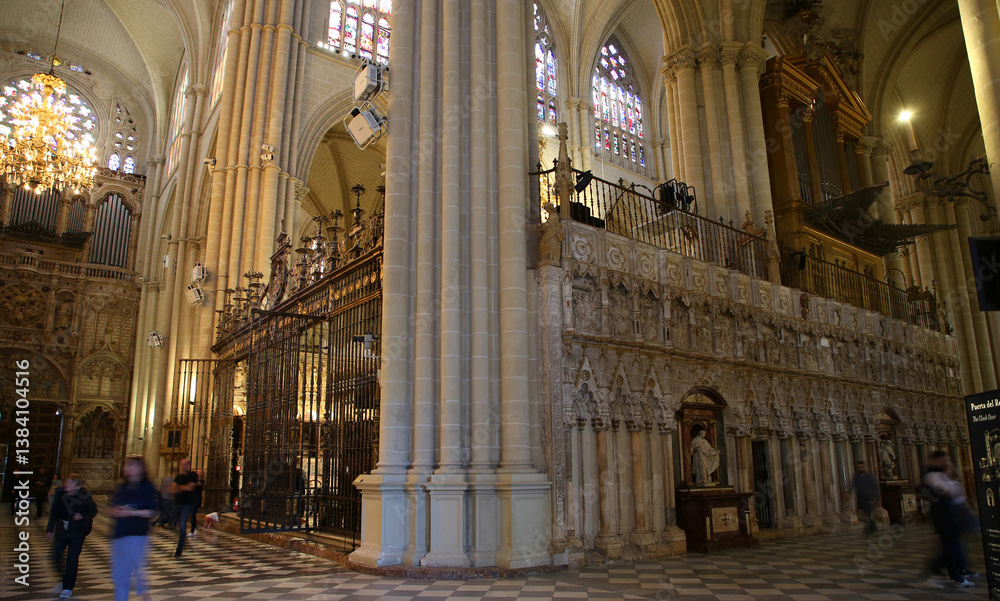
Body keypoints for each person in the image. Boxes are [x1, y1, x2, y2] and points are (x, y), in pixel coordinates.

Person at [105, 455, 158, 601]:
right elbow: (110, 507)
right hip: (119, 534)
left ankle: (144, 594)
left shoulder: (147, 486)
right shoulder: (122, 486)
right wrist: (114, 511)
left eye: (133, 465)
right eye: (127, 465)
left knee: (136, 569)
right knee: (119, 575)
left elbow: (152, 511)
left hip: (137, 534)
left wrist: (131, 512)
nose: (128, 468)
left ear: (141, 468)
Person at [921, 451, 976, 588]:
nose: (945, 463)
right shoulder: (931, 475)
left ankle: (957, 576)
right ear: (933, 460)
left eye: (946, 460)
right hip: (942, 515)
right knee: (949, 547)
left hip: (950, 514)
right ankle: (934, 572)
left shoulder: (940, 474)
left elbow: (954, 490)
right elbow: (946, 491)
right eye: (942, 460)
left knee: (952, 546)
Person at [47, 473, 98, 599]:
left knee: (72, 559)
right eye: (67, 482)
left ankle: (68, 587)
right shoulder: (60, 494)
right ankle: (63, 579)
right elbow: (54, 513)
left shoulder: (84, 495)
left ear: (77, 486)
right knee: (55, 556)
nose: (67, 484)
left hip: (77, 531)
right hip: (61, 530)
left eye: (70, 483)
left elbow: (93, 511)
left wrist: (82, 516)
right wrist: (49, 529)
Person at [171, 459, 198, 557]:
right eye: (182, 465)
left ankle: (179, 548)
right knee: (174, 524)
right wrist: (183, 487)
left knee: (182, 525)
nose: (184, 466)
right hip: (177, 503)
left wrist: (178, 487)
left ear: (189, 465)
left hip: (187, 504)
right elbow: (172, 490)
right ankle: (183, 540)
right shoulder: (178, 477)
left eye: (185, 464)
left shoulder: (193, 475)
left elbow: (190, 488)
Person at [851, 461, 880, 535]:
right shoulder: (856, 476)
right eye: (859, 467)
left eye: (862, 467)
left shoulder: (869, 477)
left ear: (864, 467)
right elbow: (853, 485)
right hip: (861, 498)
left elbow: (874, 487)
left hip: (869, 498)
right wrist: (849, 493)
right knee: (867, 514)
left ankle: (869, 528)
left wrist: (876, 498)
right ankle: (872, 527)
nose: (860, 469)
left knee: (869, 513)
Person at [188, 469, 204, 538]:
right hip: (192, 497)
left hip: (197, 498)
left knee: (193, 513)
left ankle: (192, 531)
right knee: (191, 513)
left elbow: (198, 484)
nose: (199, 473)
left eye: (200, 472)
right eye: (197, 472)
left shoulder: (201, 481)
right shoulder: (193, 480)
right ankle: (195, 526)